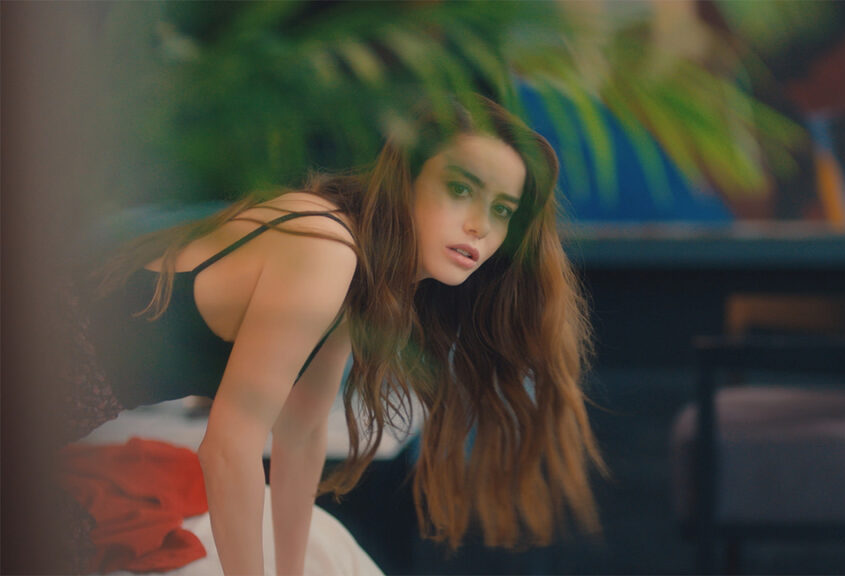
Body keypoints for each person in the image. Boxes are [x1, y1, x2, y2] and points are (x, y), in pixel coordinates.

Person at [61, 94, 605, 575]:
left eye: (502, 210)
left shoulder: (356, 264)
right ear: (406, 180)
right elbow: (228, 448)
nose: (480, 226)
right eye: (461, 189)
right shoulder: (326, 248)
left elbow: (300, 432)